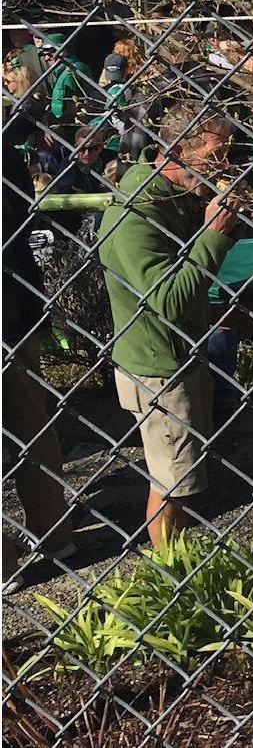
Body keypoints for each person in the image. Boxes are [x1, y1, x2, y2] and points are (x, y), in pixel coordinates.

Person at [97, 99, 244, 546]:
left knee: (177, 472)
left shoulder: (174, 195)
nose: (225, 166)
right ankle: (170, 572)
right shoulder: (136, 216)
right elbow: (168, 301)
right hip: (158, 363)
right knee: (170, 483)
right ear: (175, 151)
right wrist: (214, 233)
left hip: (181, 352)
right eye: (213, 157)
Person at [2, 117, 78, 589]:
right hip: (17, 303)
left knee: (26, 419)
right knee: (29, 420)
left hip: (12, 303)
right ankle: (54, 531)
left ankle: (11, 556)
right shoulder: (5, 144)